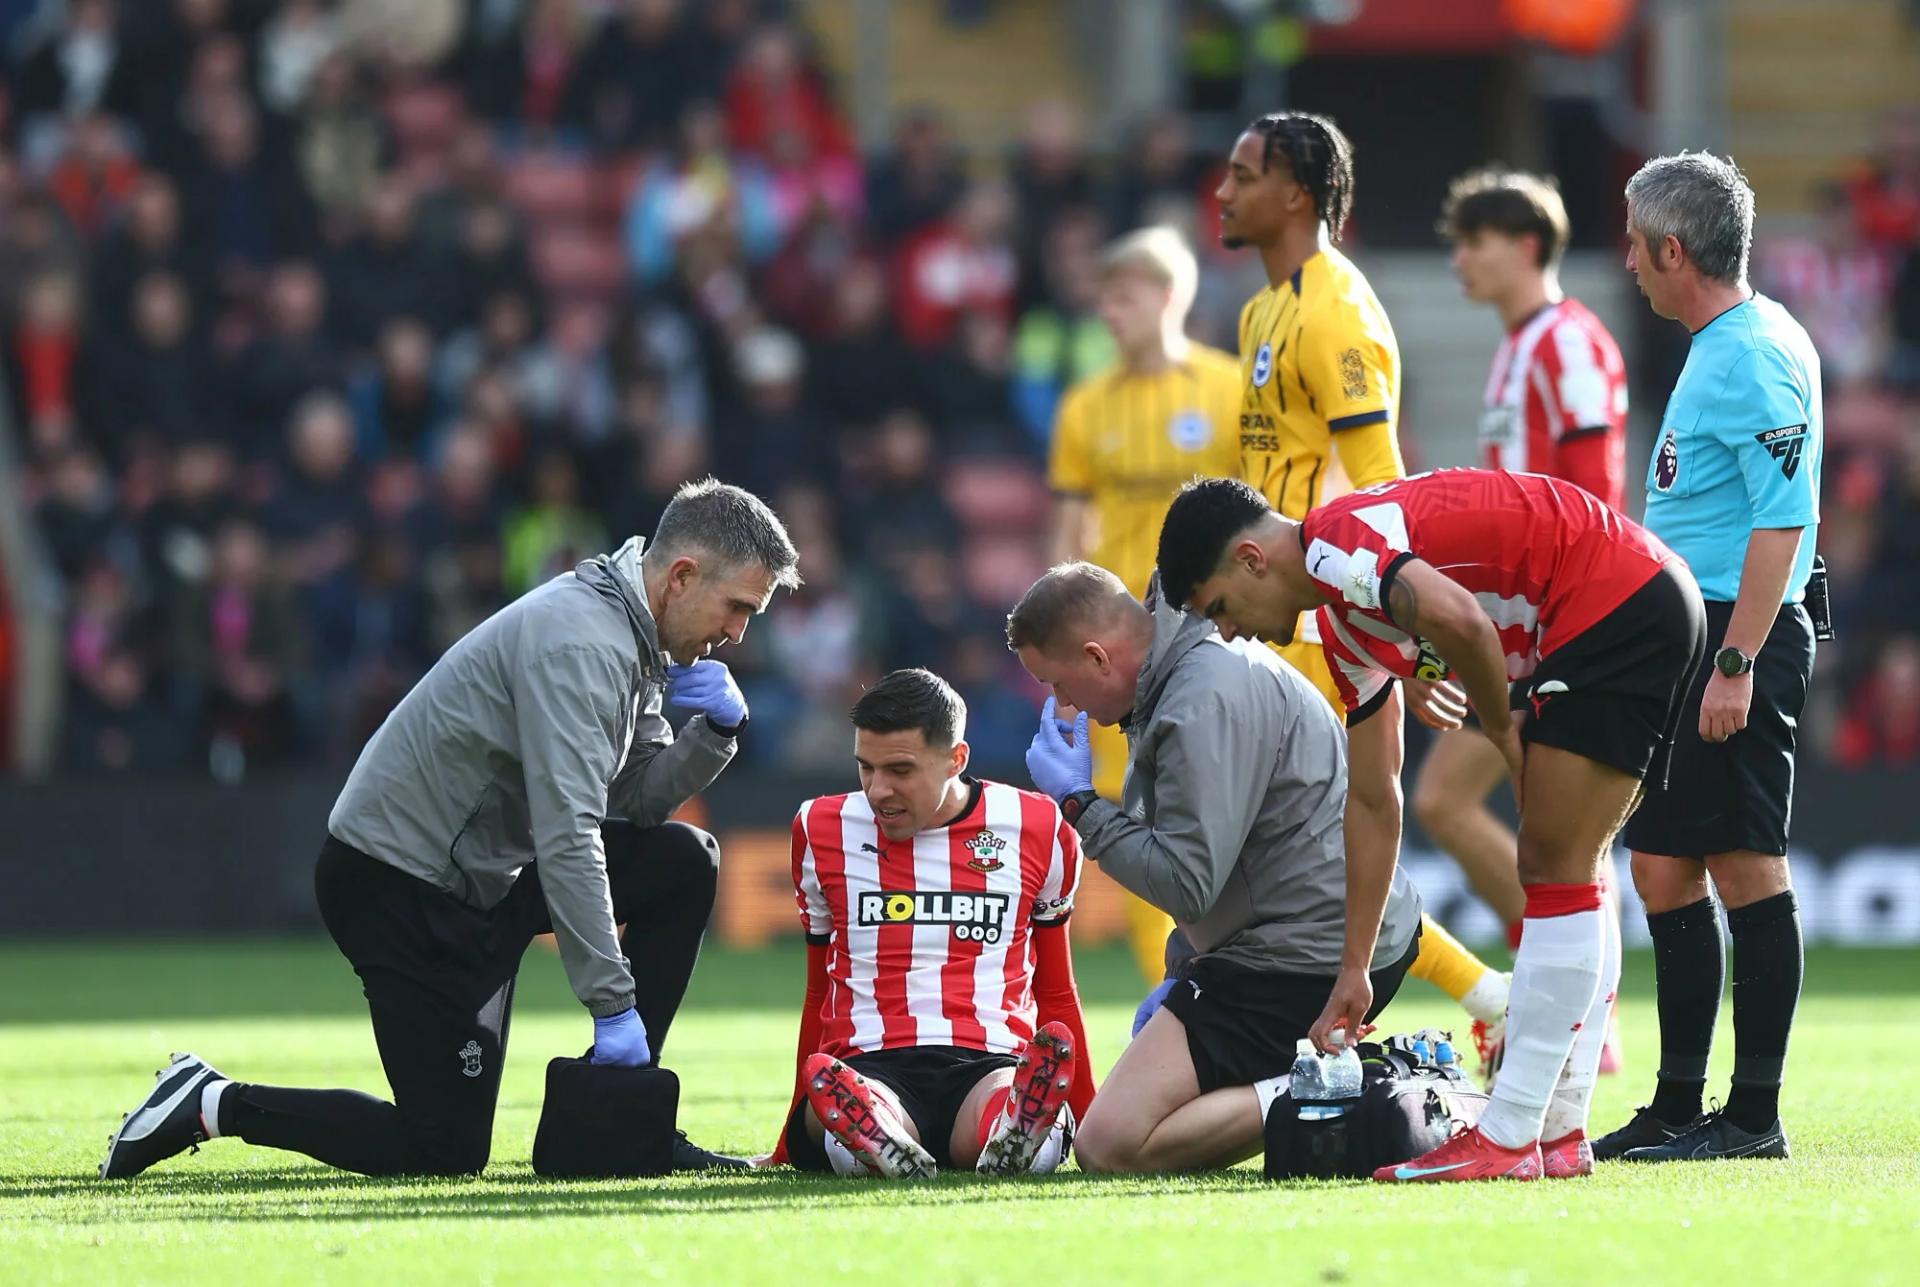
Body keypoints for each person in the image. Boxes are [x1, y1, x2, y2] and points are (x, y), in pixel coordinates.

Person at [101, 480, 801, 1179]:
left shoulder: (636, 639)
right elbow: (569, 834)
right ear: (681, 576)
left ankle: (628, 1116)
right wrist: (613, 1005)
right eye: (738, 606)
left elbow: (641, 801)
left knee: (683, 858)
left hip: (477, 879)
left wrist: (713, 734)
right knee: (440, 1150)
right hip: (398, 886)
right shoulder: (583, 644)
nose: (738, 633)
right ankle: (210, 1101)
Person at [1156, 470, 1706, 1180]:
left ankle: (1509, 1134)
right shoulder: (1344, 626)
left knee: (1552, 863)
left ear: (1252, 559)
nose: (1230, 630)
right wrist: (1354, 966)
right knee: (1568, 863)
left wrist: (1505, 732)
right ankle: (1559, 1133)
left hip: (1613, 599)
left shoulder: (1332, 546)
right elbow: (1375, 798)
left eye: (1221, 607)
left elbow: (1464, 622)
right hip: (1640, 594)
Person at [1213, 111, 1510, 1062]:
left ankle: (1480, 996)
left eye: (1242, 174)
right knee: (1298, 851)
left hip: (1330, 616)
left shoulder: (1337, 309)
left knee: (1316, 847)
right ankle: (1482, 994)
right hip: (1276, 613)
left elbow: (1386, 498)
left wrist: (1411, 644)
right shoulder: (1263, 309)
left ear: (1296, 194)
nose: (1222, 191)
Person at [1009, 563, 1422, 1173]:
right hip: (1314, 941)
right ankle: (1321, 1074)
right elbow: (1235, 856)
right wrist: (1188, 965)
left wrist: (1080, 806)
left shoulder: (1199, 699)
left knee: (1110, 1145)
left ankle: (1345, 1082)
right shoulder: (1189, 665)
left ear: (1098, 657)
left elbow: (1187, 882)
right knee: (1140, 1121)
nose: (1063, 704)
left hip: (1302, 964)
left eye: (1059, 684)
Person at [1594, 152, 1822, 1164]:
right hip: (1700, 634)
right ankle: (1680, 1106)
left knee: (1743, 863)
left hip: (1737, 634)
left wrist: (1737, 662)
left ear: (1673, 249)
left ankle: (1754, 1116)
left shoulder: (1755, 352)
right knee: (1660, 868)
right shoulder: (1723, 341)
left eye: (1637, 244)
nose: (1629, 262)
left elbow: (1785, 520)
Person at [1423, 167, 1632, 1076]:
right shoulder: (1520, 346)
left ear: (1531, 247)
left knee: (1529, 820)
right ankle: (1572, 1004)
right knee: (1533, 823)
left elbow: (1598, 493)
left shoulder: (1568, 342)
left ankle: (1577, 1009)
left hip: (1571, 615)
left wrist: (1570, 612)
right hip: (1525, 625)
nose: (1462, 257)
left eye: (1478, 240)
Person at [773, 668, 1093, 1178]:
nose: (878, 790)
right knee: (855, 1104)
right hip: (866, 1060)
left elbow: (1056, 989)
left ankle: (1012, 1128)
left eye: (900, 770)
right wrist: (790, 1132)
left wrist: (1091, 1117)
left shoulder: (1037, 826)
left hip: (990, 1057)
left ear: (956, 760)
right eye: (865, 768)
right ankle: (875, 1126)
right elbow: (819, 993)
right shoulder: (820, 827)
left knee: (998, 1104)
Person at [1048, 224, 1242, 985]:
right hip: (1119, 641)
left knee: (1215, 798)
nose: (1107, 311)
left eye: (1122, 295)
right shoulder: (1085, 408)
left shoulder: (1230, 390)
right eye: (1102, 297)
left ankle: (1234, 961)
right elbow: (1068, 534)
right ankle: (1171, 984)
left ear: (1169, 296)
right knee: (1123, 809)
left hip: (1212, 632)